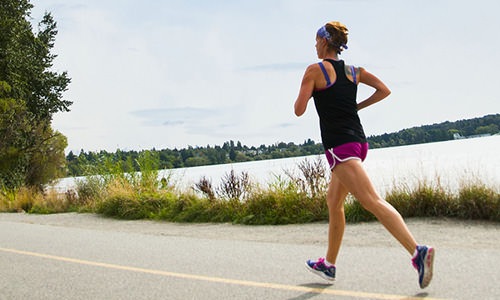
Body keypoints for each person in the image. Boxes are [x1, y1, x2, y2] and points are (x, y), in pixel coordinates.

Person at [294, 21, 435, 289]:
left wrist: (309, 89)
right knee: (334, 202)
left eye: (315, 41)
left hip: (340, 147)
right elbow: (384, 89)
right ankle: (329, 265)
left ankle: (418, 252)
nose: (314, 46)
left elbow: (299, 109)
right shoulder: (354, 71)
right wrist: (357, 105)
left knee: (371, 201)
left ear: (324, 42)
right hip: (358, 143)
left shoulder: (314, 70)